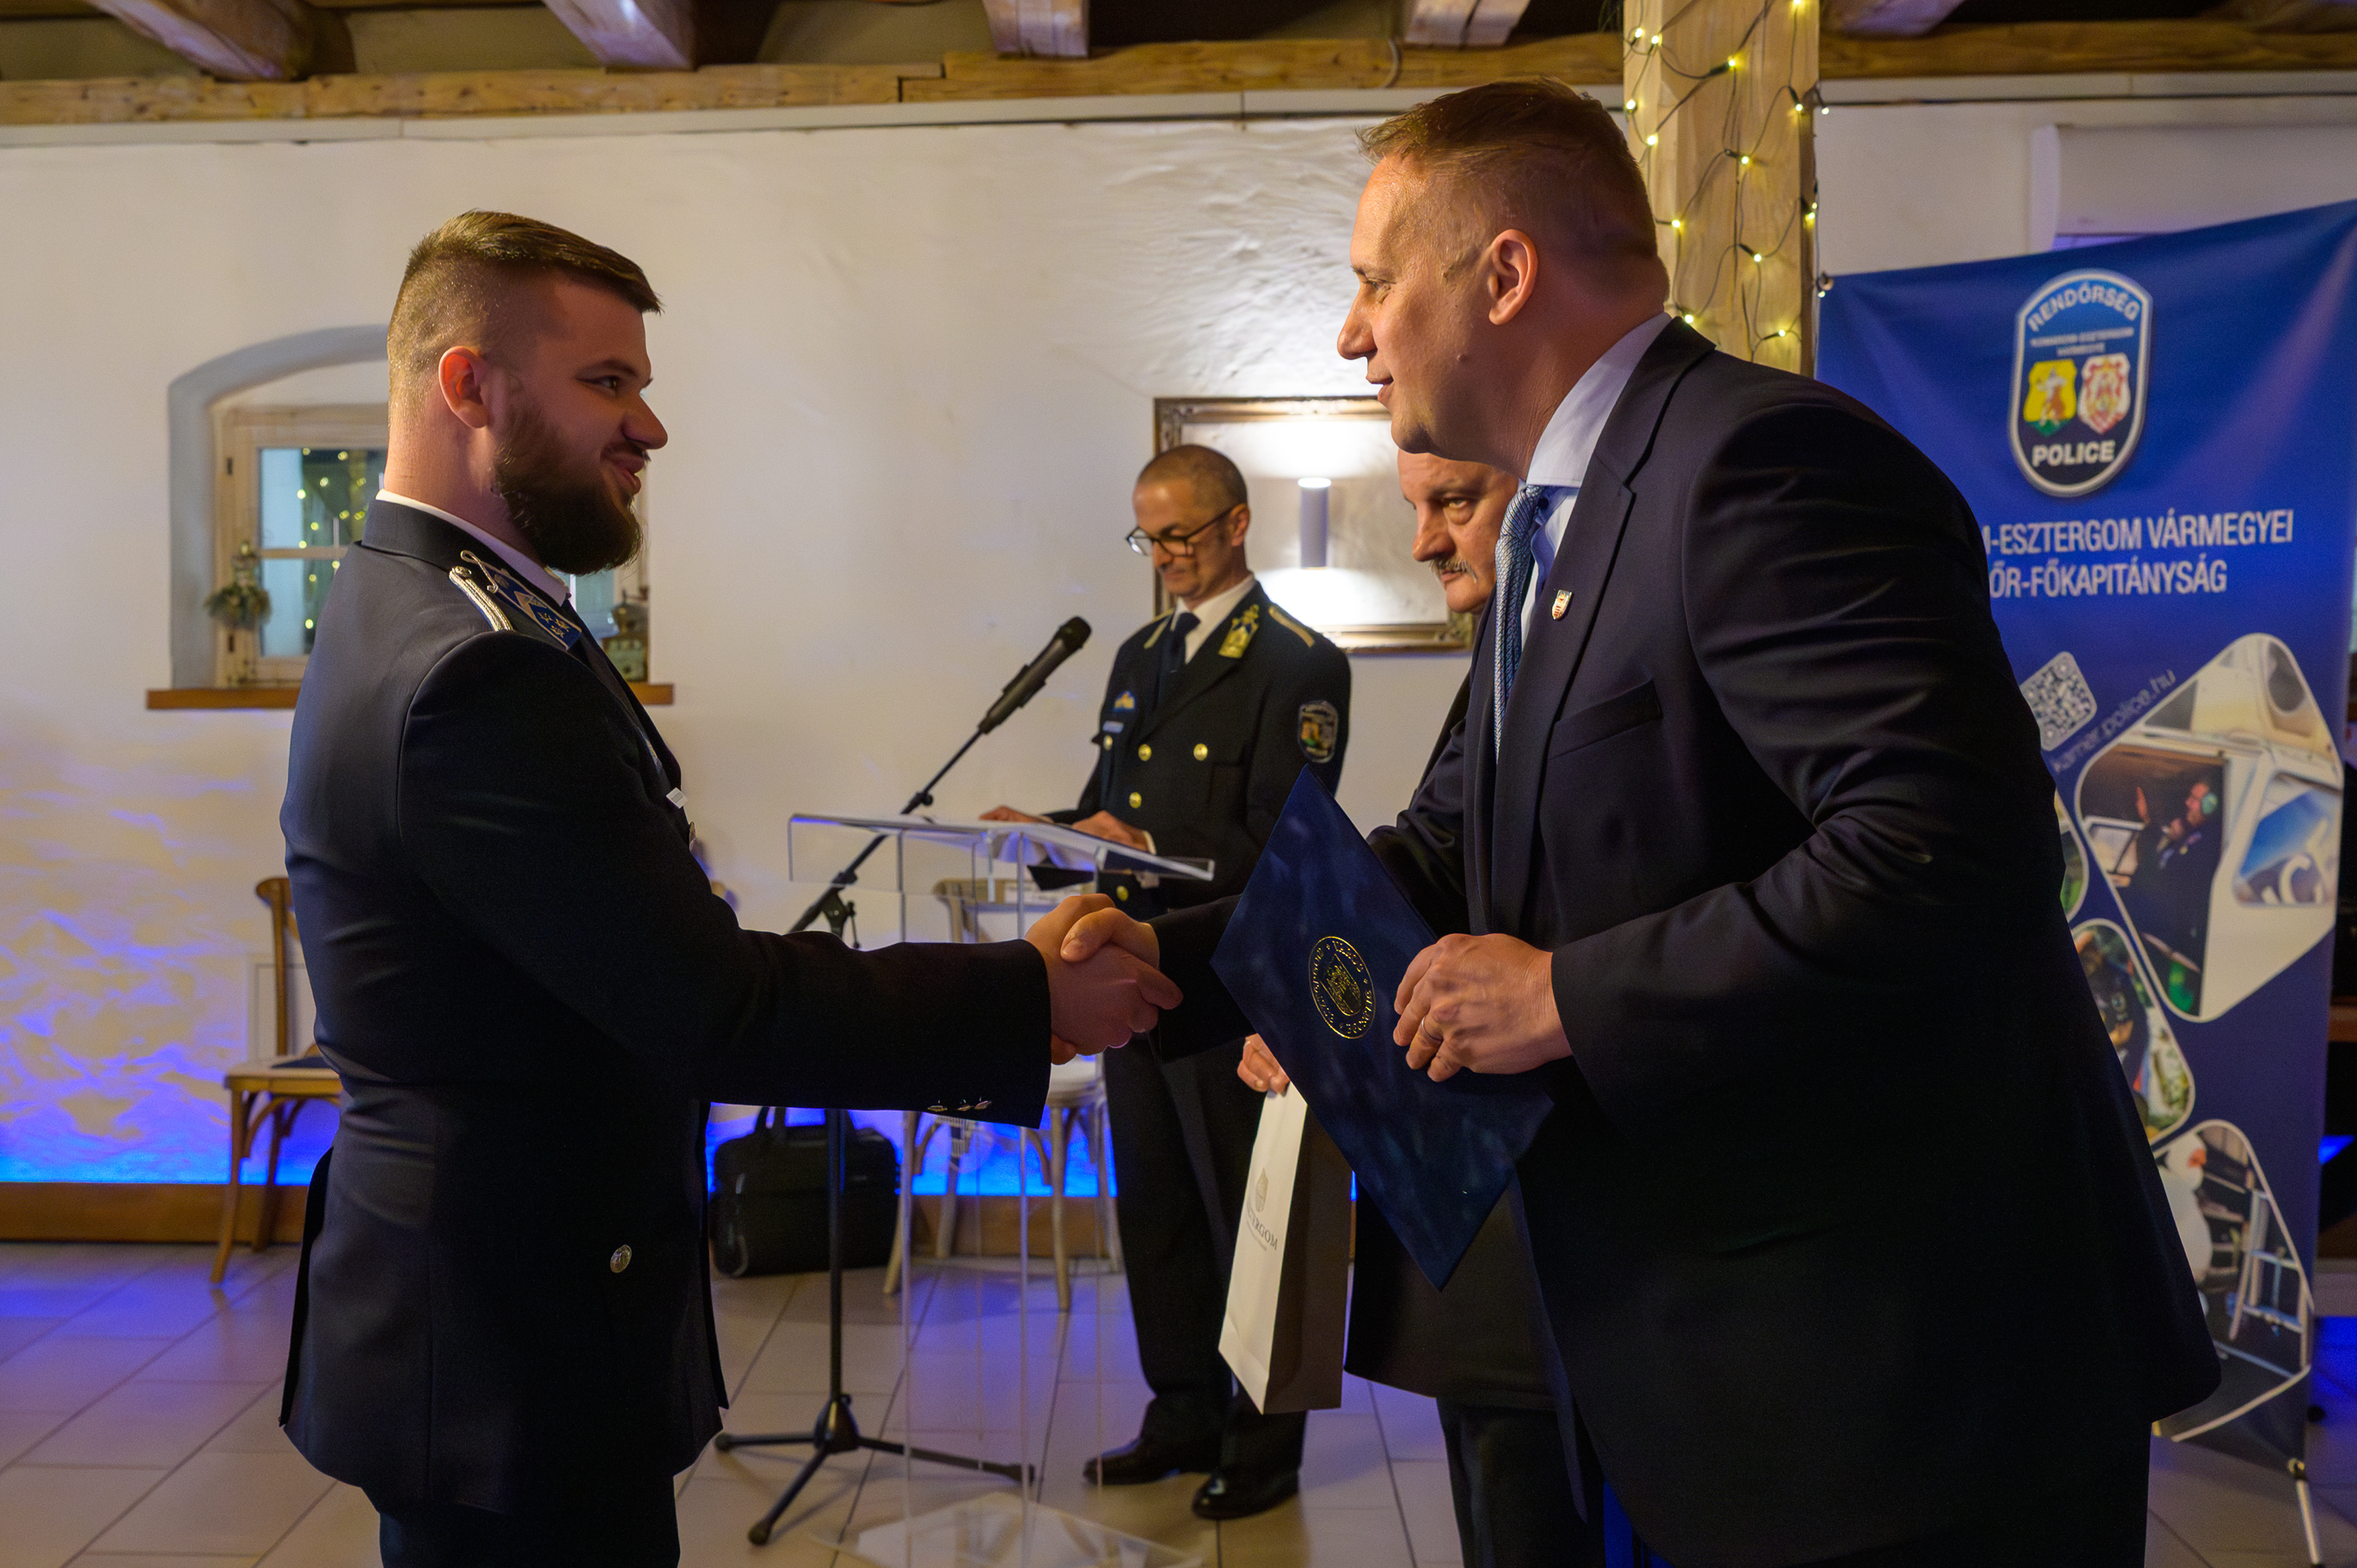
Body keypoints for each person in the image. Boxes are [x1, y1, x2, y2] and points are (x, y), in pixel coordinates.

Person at [1065, 81, 2218, 1566]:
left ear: (1503, 274)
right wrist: (1148, 966)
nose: (1353, 332)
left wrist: (1562, 994)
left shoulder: (1758, 463)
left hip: (1893, 1380)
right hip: (1700, 1358)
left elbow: (1943, 848)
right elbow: (1438, 851)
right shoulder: (1563, 520)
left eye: (1373, 282)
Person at [277, 211, 1177, 1568]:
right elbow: (709, 1008)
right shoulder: (476, 665)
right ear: (471, 386)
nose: (649, 426)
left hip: (487, 1309)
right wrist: (1025, 994)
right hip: (509, 1340)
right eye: (607, 382)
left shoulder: (426, 601)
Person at [1240, 450, 1603, 1568]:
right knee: (1500, 1503)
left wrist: (1557, 990)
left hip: (1610, 1183)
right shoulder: (1507, 637)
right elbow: (1434, 845)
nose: (1423, 542)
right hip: (1481, 1193)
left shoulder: (1610, 615)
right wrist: (1297, 981)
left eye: (1454, 502)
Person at [983, 444, 1351, 1520]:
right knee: (1155, 1202)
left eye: (1180, 534)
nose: (1164, 556)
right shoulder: (1140, 654)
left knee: (1247, 1213)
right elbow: (1108, 805)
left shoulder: (1296, 662)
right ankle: (1181, 1409)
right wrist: (1047, 834)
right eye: (1146, 538)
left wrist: (1138, 840)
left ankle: (1262, 1442)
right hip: (1129, 970)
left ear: (1236, 524)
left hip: (1228, 973)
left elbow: (1287, 840)